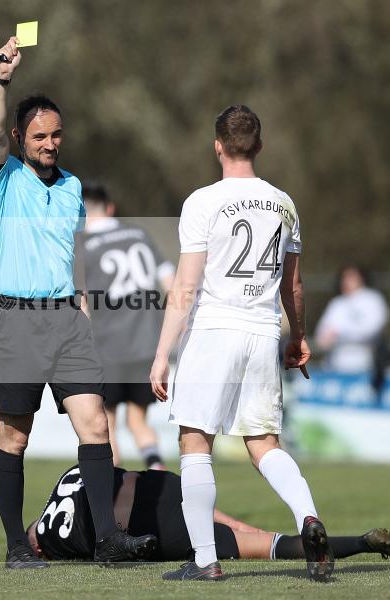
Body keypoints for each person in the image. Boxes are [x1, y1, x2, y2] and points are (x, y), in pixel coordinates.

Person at [0, 36, 156, 568]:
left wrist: (81, 299)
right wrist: (2, 79)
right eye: (39, 136)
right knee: (15, 435)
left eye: (56, 135)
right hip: (15, 322)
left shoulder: (74, 186)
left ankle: (107, 541)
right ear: (18, 138)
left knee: (96, 425)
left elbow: (70, 251)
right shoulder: (1, 178)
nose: (50, 143)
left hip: (67, 322)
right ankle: (15, 547)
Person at [151, 104, 332, 582]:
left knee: (195, 441)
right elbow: (293, 286)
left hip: (214, 330)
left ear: (217, 146)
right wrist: (299, 337)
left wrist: (162, 354)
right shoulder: (284, 203)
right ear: (260, 146)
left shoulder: (202, 202)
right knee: (264, 444)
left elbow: (186, 288)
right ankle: (308, 518)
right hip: (262, 331)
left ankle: (205, 560)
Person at [28, 464, 390, 563]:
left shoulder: (52, 542)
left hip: (145, 526)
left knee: (261, 546)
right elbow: (123, 478)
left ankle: (362, 543)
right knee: (238, 525)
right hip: (162, 484)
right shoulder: (68, 478)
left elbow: (37, 539)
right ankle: (367, 541)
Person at [82, 181, 174, 469]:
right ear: (110, 208)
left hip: (107, 347)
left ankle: (114, 496)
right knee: (138, 420)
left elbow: (81, 301)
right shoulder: (139, 234)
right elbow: (171, 283)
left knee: (105, 424)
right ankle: (157, 473)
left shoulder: (82, 246)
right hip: (148, 346)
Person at [314, 265, 389, 373]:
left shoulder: (373, 299)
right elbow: (321, 334)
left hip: (365, 364)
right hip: (334, 365)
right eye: (344, 278)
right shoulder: (336, 303)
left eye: (351, 277)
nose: (346, 281)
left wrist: (340, 333)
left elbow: (373, 328)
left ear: (361, 278)